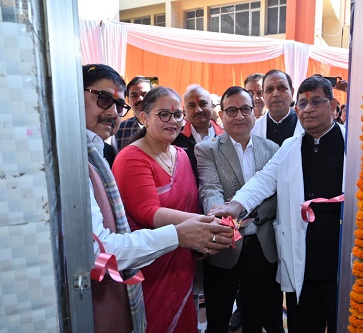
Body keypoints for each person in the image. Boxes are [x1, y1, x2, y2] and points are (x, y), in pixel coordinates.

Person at [83, 64, 233, 333]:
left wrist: (202, 230)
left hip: (183, 258)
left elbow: (193, 202)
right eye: (163, 114)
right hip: (150, 259)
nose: (173, 121)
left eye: (177, 114)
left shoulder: (184, 155)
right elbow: (146, 212)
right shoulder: (131, 157)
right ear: (143, 117)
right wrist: (206, 224)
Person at [209, 75, 346, 333]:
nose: (309, 109)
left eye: (317, 102)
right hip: (301, 258)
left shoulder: (355, 145)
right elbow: (263, 180)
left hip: (339, 257)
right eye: (303, 104)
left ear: (333, 105)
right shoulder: (290, 147)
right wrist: (235, 206)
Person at [195, 86, 283, 333]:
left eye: (245, 109)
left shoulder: (273, 149)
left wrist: (251, 214)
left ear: (255, 112)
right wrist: (220, 214)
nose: (239, 116)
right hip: (225, 246)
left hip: (262, 246)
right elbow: (210, 189)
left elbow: (276, 196)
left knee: (255, 318)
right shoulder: (207, 150)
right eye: (231, 111)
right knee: (218, 319)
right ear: (221, 115)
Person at [172, 84, 224, 178]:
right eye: (192, 106)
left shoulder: (226, 136)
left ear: (211, 106)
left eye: (203, 104)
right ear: (184, 110)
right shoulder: (175, 139)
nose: (198, 110)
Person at [251, 69, 304, 146]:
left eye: (281, 87)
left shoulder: (305, 126)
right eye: (269, 89)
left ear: (292, 92)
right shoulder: (254, 129)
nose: (275, 93)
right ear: (263, 95)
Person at [113, 76, 153, 151]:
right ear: (128, 100)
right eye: (134, 96)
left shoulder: (163, 125)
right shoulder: (120, 129)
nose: (140, 99)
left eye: (145, 94)